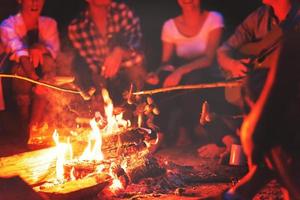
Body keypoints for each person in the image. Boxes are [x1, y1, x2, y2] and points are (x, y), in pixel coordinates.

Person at [146, 0, 224, 145]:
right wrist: (157, 73)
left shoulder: (214, 18)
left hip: (207, 72)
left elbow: (208, 58)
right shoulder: (170, 26)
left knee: (192, 79)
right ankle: (159, 135)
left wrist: (180, 72)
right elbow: (166, 62)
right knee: (163, 80)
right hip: (180, 71)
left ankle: (186, 130)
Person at [0, 0, 60, 145]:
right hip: (13, 79)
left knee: (47, 62)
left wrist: (39, 48)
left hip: (44, 77)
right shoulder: (8, 25)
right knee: (21, 69)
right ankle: (26, 127)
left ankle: (35, 128)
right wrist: (35, 80)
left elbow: (53, 51)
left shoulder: (49, 24)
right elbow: (19, 53)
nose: (35, 3)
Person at [68, 0, 146, 106]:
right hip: (107, 87)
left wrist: (120, 51)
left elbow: (139, 46)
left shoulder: (122, 11)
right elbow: (94, 67)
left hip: (136, 82)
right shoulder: (77, 28)